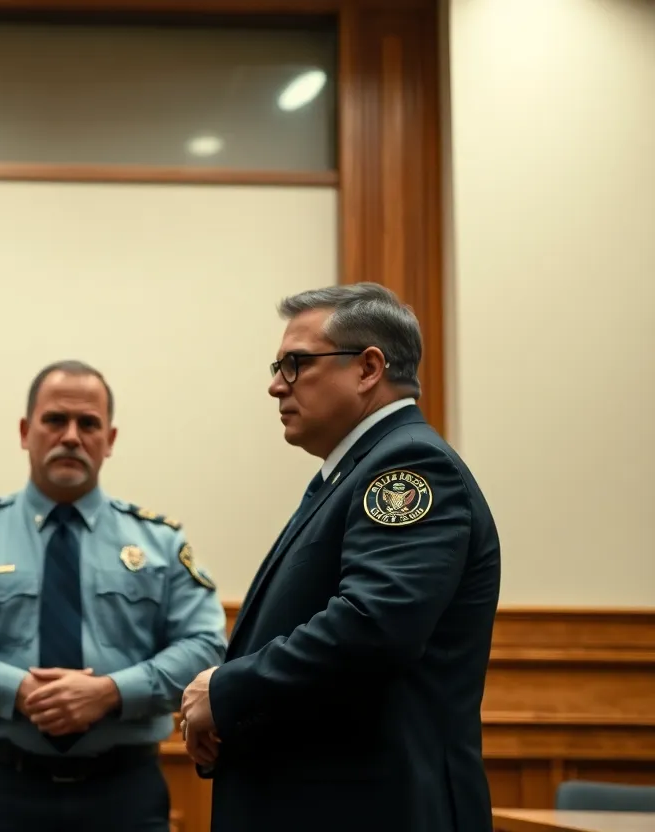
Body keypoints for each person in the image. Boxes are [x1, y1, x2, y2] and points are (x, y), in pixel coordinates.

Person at [180, 283, 501, 832]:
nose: (275, 385)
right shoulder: (352, 472)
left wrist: (228, 690)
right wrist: (232, 719)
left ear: (368, 367)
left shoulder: (409, 467)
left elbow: (374, 627)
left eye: (295, 364)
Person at [0, 360, 228, 832]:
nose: (71, 436)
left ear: (109, 440)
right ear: (26, 431)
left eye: (88, 424)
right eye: (55, 420)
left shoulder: (160, 542)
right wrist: (17, 690)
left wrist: (110, 693)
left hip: (124, 789)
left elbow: (206, 647)